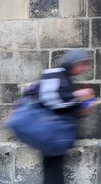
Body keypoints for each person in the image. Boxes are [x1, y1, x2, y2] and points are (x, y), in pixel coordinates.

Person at [36, 50, 94, 184]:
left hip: (56, 136)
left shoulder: (65, 77)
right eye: (83, 64)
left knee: (53, 172)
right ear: (74, 63)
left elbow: (66, 107)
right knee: (53, 173)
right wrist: (78, 94)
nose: (84, 68)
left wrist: (85, 106)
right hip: (51, 135)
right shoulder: (56, 75)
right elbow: (51, 100)